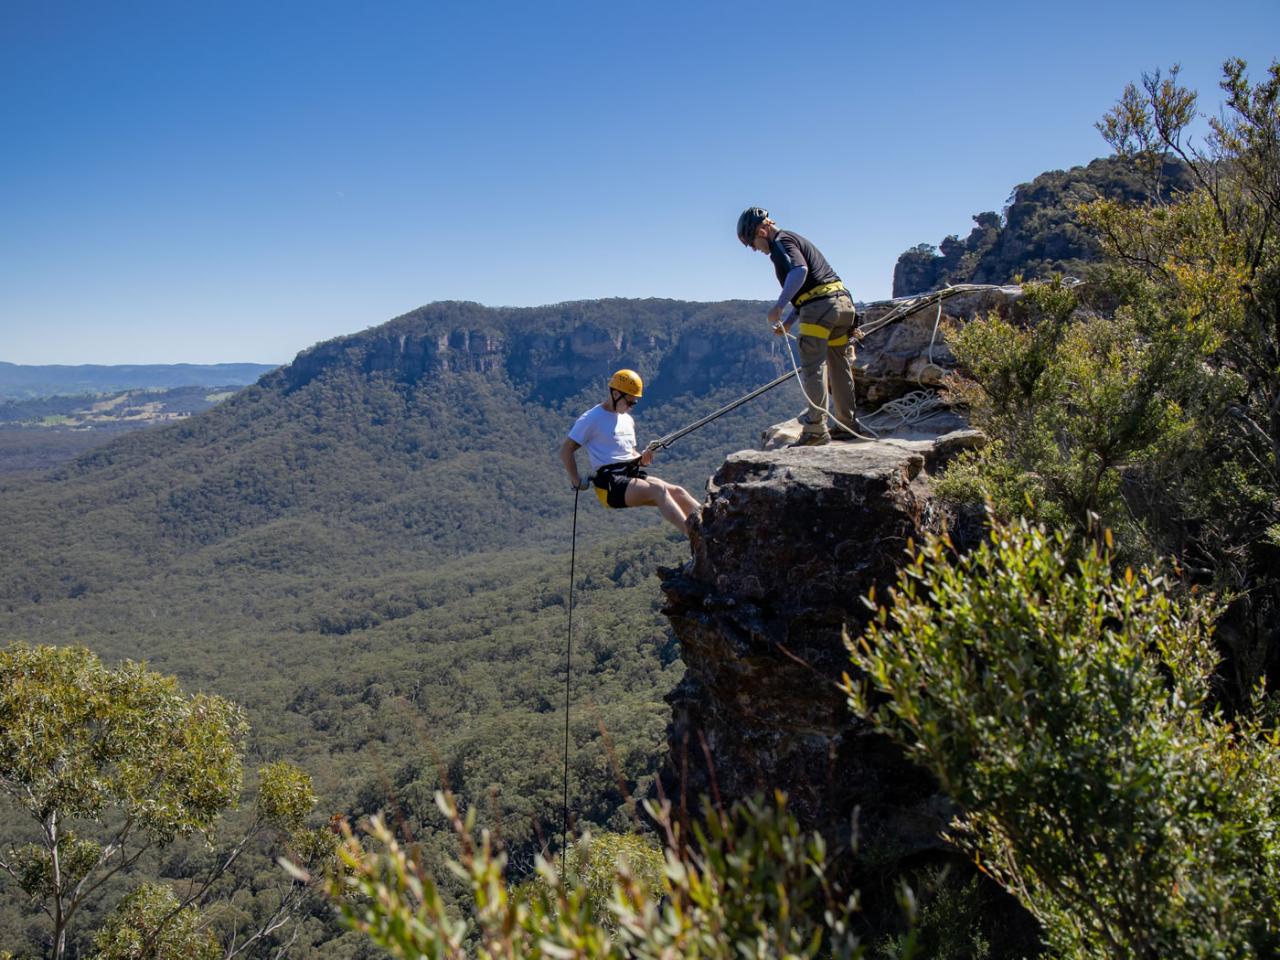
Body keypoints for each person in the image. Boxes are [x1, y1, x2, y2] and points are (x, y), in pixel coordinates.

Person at [736, 206, 858, 446]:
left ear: (761, 230)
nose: (754, 249)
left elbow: (799, 271)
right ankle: (848, 425)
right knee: (839, 366)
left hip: (821, 309)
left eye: (752, 243)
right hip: (842, 306)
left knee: (814, 368)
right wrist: (790, 322)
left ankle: (815, 430)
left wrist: (779, 306)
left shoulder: (782, 242)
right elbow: (810, 291)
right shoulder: (795, 239)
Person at [558, 369, 701, 537]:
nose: (631, 407)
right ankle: (696, 539)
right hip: (609, 484)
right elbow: (566, 450)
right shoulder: (591, 418)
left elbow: (629, 454)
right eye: (630, 402)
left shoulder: (627, 419)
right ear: (616, 393)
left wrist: (642, 458)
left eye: (634, 403)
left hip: (630, 475)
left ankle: (710, 525)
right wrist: (576, 480)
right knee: (658, 489)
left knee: (678, 492)